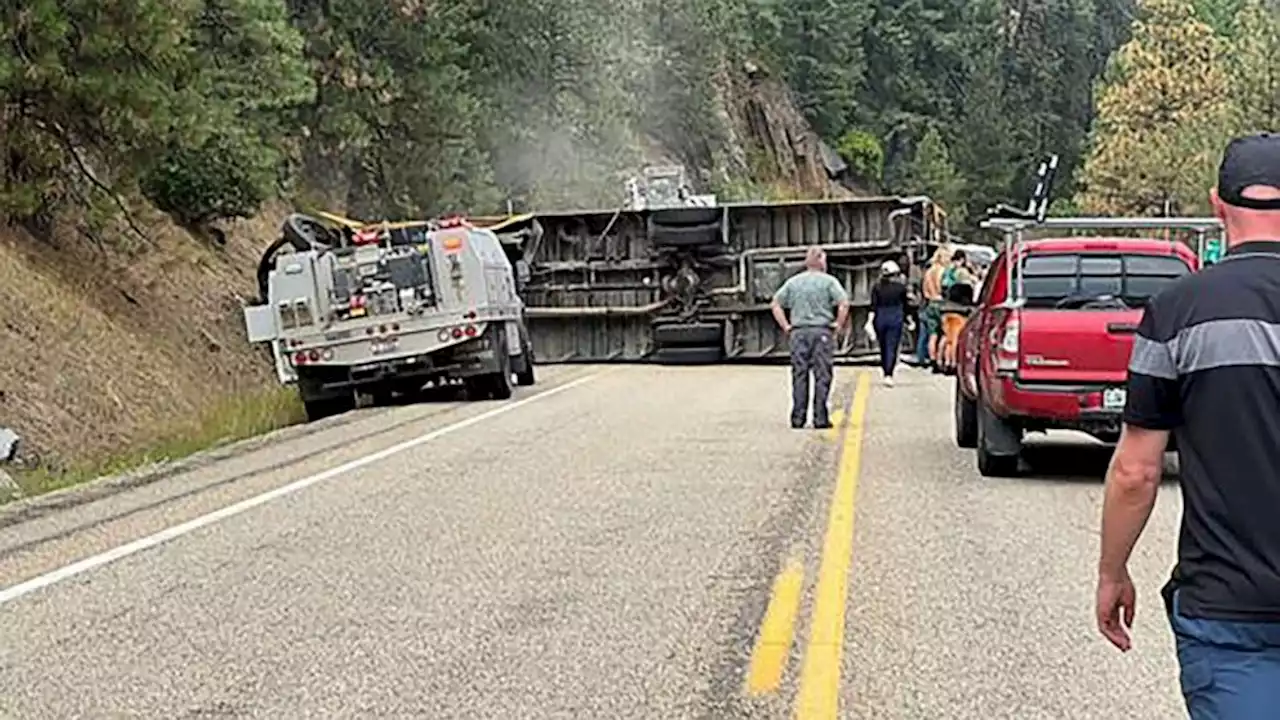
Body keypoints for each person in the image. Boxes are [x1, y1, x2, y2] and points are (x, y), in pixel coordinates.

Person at [1095, 132, 1280, 719]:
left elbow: (1135, 471)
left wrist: (1112, 571)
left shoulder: (1178, 312)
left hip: (1228, 611)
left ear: (1217, 205)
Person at [770, 246, 850, 429]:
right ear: (821, 260)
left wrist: (786, 326)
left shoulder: (793, 282)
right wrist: (837, 324)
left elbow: (775, 303)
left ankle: (798, 417)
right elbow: (843, 303)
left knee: (800, 374)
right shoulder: (829, 282)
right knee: (822, 375)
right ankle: (820, 417)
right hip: (821, 331)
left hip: (798, 332)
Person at [869, 260, 909, 386]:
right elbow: (906, 305)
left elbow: (873, 306)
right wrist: (909, 319)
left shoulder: (876, 287)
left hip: (880, 317)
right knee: (892, 346)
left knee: (883, 346)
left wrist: (870, 321)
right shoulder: (900, 288)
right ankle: (889, 373)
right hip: (895, 316)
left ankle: (885, 369)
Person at [919, 247, 951, 368]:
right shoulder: (943, 271)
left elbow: (924, 290)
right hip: (941, 304)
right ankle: (940, 359)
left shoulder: (928, 272)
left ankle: (931, 359)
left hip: (930, 303)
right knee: (945, 333)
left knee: (932, 334)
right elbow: (945, 288)